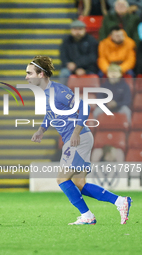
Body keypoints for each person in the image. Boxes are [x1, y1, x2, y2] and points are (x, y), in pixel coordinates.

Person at [29, 55, 132, 225]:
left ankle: (87, 215)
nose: (26, 77)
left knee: (62, 179)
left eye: (29, 73)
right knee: (78, 183)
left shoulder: (59, 91)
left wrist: (76, 133)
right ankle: (120, 201)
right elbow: (50, 114)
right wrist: (41, 129)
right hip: (76, 138)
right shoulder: (46, 94)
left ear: (41, 74)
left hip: (78, 138)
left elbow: (84, 106)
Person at [59, 20, 98, 85]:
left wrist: (77, 64)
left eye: (80, 29)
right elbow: (63, 56)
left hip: (88, 68)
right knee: (64, 73)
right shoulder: (66, 41)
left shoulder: (92, 41)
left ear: (85, 30)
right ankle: (62, 93)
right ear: (71, 30)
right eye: (75, 29)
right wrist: (69, 64)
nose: (77, 32)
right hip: (71, 68)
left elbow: (93, 57)